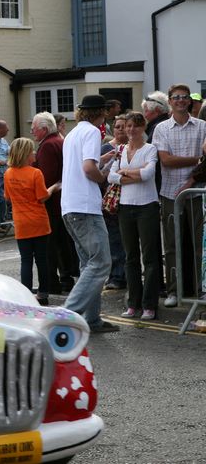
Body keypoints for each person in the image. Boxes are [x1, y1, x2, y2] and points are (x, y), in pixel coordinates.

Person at [60, 95, 119, 333]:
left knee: (89, 265)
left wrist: (101, 160)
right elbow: (88, 169)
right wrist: (102, 175)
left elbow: (81, 164)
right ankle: (65, 316)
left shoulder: (72, 134)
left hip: (70, 206)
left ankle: (91, 319)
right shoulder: (93, 132)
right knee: (101, 262)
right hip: (85, 207)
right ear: (101, 113)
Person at [152, 83, 206, 307]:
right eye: (176, 97)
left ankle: (200, 289)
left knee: (199, 245)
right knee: (173, 245)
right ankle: (174, 291)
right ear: (170, 101)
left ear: (190, 101)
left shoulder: (202, 126)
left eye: (184, 97)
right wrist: (197, 160)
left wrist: (195, 172)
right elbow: (166, 160)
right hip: (170, 192)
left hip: (197, 192)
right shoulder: (161, 128)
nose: (181, 100)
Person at [107, 112, 161, 320]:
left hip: (147, 206)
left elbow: (148, 174)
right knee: (130, 257)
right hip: (125, 207)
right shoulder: (120, 150)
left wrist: (125, 172)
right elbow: (111, 176)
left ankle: (149, 305)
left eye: (136, 126)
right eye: (128, 126)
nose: (131, 129)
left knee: (150, 257)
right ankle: (133, 303)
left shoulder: (150, 149)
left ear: (143, 128)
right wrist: (134, 173)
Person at [4, 138, 59, 305]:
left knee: (26, 260)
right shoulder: (36, 173)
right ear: (25, 154)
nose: (34, 153)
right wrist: (54, 187)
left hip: (21, 222)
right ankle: (43, 294)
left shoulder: (8, 173)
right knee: (42, 259)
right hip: (38, 221)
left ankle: (26, 295)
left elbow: (7, 197)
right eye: (31, 150)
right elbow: (42, 197)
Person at [32, 112, 79, 294]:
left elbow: (47, 178)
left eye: (34, 129)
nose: (32, 131)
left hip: (52, 203)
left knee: (50, 245)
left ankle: (53, 282)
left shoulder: (47, 146)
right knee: (62, 243)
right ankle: (66, 279)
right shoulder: (59, 141)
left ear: (44, 129)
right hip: (62, 201)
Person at [100, 115, 128, 291]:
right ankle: (116, 276)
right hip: (110, 199)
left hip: (129, 198)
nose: (120, 129)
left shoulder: (134, 147)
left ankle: (126, 275)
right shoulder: (106, 148)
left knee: (128, 240)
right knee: (114, 240)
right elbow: (100, 173)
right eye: (117, 126)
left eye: (124, 126)